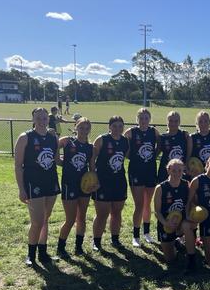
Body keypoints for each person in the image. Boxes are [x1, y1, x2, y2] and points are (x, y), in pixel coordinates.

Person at [14, 107, 60, 266]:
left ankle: (43, 253)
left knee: (45, 219)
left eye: (44, 118)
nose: (42, 121)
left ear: (49, 119)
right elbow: (18, 166)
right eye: (38, 118)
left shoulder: (53, 137)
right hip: (34, 183)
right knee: (37, 221)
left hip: (51, 181)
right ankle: (31, 254)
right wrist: (21, 189)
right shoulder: (25, 137)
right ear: (33, 119)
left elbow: (56, 160)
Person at [56, 117, 95, 257]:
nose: (84, 131)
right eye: (81, 127)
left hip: (84, 187)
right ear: (75, 127)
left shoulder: (90, 148)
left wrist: (93, 183)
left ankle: (78, 247)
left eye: (87, 128)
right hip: (69, 184)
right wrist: (59, 162)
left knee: (82, 218)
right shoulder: (67, 141)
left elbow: (92, 168)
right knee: (70, 219)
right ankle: (60, 247)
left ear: (89, 130)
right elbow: (53, 147)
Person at [91, 116, 129, 251]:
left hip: (119, 182)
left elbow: (124, 157)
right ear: (109, 126)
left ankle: (115, 239)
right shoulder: (102, 139)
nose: (117, 129)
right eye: (114, 126)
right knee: (102, 214)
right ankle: (96, 241)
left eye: (120, 126)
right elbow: (92, 159)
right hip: (102, 183)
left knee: (117, 212)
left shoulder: (125, 141)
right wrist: (93, 177)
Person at [124, 108, 161, 247]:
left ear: (149, 119)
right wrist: (132, 156)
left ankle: (146, 233)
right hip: (136, 171)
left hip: (150, 170)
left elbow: (160, 144)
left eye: (146, 118)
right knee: (139, 204)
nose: (144, 121)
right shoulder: (131, 132)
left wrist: (154, 155)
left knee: (147, 203)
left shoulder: (154, 131)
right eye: (141, 118)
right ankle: (135, 235)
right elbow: (124, 148)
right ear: (137, 119)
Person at [154, 159, 197, 269]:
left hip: (181, 222)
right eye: (174, 170)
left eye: (179, 170)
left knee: (188, 225)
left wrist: (190, 217)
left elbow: (190, 203)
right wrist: (165, 223)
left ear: (183, 171)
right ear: (168, 170)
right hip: (166, 224)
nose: (177, 173)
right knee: (170, 260)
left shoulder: (186, 184)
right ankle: (176, 243)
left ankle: (191, 259)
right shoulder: (160, 188)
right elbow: (157, 212)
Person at [158, 111, 192, 182]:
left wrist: (187, 163)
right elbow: (157, 152)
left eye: (176, 121)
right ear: (167, 122)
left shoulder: (184, 135)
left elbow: (189, 151)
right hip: (166, 171)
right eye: (171, 121)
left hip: (181, 171)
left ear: (179, 122)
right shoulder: (162, 137)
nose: (173, 123)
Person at [189, 111, 210, 178]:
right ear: (197, 123)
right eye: (200, 121)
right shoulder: (192, 137)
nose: (203, 124)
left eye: (206, 121)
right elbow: (188, 156)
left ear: (209, 122)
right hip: (196, 173)